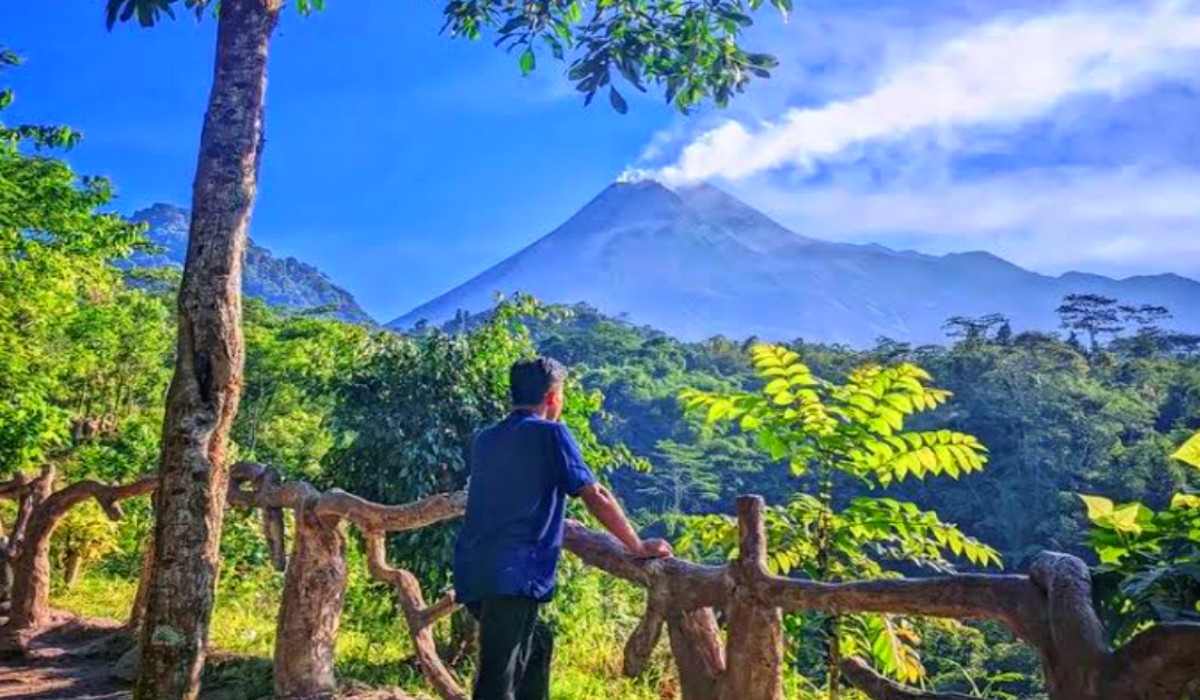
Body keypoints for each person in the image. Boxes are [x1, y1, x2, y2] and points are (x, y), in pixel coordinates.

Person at [454, 357, 673, 700]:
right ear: (553, 396)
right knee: (497, 684)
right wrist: (637, 545)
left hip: (473, 571)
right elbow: (594, 494)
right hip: (514, 575)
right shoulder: (551, 433)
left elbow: (510, 492)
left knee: (538, 644)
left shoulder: (486, 438)